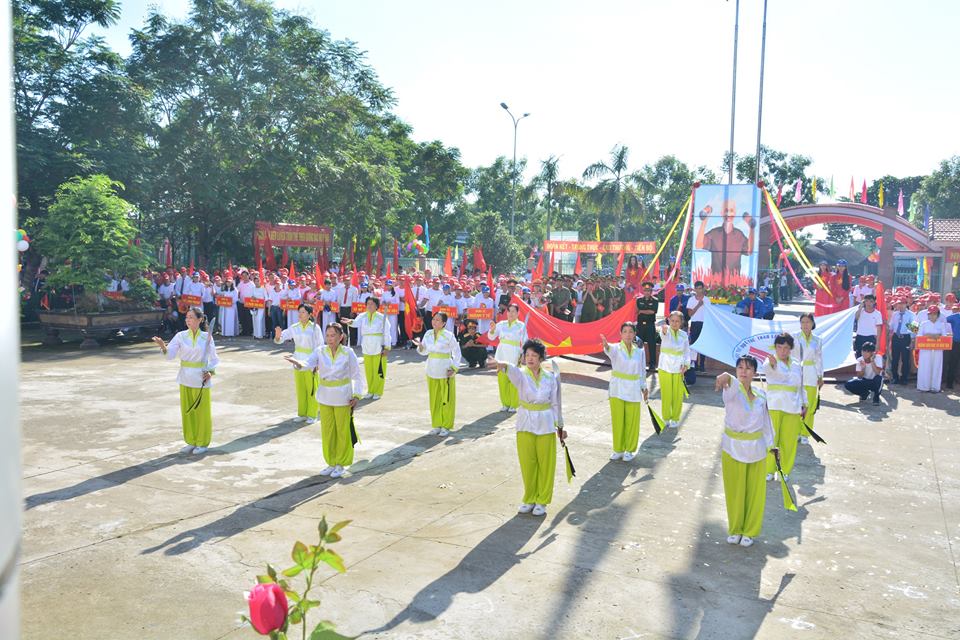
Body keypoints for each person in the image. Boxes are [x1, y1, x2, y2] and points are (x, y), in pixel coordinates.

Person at [285, 323, 364, 478]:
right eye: (327, 335)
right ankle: (331, 462)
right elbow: (308, 363)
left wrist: (356, 395)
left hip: (343, 397)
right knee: (327, 431)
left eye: (333, 335)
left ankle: (341, 464)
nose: (329, 339)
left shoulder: (348, 353)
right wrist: (298, 363)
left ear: (341, 337)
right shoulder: (320, 351)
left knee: (342, 431)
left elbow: (357, 375)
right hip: (325, 397)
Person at [496, 339, 563, 517]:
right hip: (525, 423)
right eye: (527, 355)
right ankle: (529, 498)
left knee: (546, 464)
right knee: (528, 463)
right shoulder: (521, 374)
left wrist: (560, 426)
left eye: (534, 355)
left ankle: (542, 500)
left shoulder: (551, 377)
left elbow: (556, 403)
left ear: (541, 358)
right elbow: (511, 370)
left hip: (546, 424)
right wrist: (503, 365)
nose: (530, 358)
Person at [714, 356, 777, 548]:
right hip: (732, 448)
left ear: (755, 373)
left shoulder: (761, 395)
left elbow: (766, 423)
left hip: (756, 449)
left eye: (748, 368)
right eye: (740, 367)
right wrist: (726, 375)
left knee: (755, 493)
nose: (743, 371)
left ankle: (749, 531)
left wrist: (772, 445)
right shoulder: (731, 391)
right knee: (735, 491)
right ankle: (735, 529)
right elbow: (730, 384)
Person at [151, 308, 220, 455]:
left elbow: (214, 359)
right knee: (188, 412)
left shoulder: (207, 337)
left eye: (191, 317)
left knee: (202, 413)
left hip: (201, 379)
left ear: (200, 319)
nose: (188, 320)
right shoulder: (180, 336)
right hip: (185, 378)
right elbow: (170, 355)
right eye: (187, 317)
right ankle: (191, 441)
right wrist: (163, 346)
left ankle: (202, 443)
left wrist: (210, 372)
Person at [601, 323, 648, 461]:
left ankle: (629, 450)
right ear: (620, 334)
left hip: (634, 388)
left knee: (632, 421)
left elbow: (642, 371)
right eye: (625, 331)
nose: (628, 334)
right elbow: (609, 350)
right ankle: (618, 449)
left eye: (630, 331)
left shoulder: (639, 351)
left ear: (634, 334)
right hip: (617, 389)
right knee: (618, 420)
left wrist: (644, 387)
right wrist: (606, 345)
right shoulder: (616, 348)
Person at [761, 334, 806, 481]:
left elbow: (799, 385)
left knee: (789, 441)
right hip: (774, 405)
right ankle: (769, 470)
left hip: (792, 407)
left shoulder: (796, 364)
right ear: (775, 347)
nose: (782, 351)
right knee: (771, 439)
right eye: (779, 347)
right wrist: (774, 367)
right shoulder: (769, 362)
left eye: (786, 347)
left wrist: (804, 403)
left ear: (791, 349)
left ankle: (784, 471)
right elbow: (773, 373)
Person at [413, 312, 461, 435]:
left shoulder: (449, 336)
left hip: (445, 370)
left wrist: (454, 368)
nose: (434, 322)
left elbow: (457, 352)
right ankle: (436, 424)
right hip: (431, 369)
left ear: (444, 323)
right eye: (434, 319)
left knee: (447, 399)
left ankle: (446, 426)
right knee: (434, 399)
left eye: (438, 320)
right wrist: (420, 347)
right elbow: (424, 351)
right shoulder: (428, 334)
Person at [274, 304, 324, 423]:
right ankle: (302, 413)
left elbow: (320, 346)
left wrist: (318, 362)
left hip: (310, 361)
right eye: (299, 312)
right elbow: (280, 339)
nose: (300, 314)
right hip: (297, 360)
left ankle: (312, 415)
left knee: (311, 388)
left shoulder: (315, 328)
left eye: (303, 312)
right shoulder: (294, 327)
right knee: (300, 388)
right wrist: (277, 336)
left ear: (309, 314)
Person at [343, 296, 390, 400]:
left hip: (378, 345)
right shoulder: (362, 316)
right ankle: (371, 390)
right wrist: (350, 321)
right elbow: (356, 323)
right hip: (367, 345)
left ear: (377, 306)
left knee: (378, 370)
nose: (369, 306)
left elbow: (387, 333)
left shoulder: (382, 317)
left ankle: (378, 391)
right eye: (368, 304)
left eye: (372, 304)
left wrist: (387, 347)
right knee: (369, 370)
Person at [694, 199, 755, 276]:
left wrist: (752, 228)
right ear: (721, 213)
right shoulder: (714, 233)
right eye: (726, 210)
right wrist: (704, 221)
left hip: (734, 282)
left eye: (731, 210)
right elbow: (698, 245)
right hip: (715, 281)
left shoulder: (739, 235)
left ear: (735, 213)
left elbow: (749, 251)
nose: (728, 214)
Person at [488, 303, 528, 412]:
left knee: (513, 380)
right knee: (502, 380)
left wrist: (523, 354)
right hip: (501, 353)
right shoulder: (501, 324)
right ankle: (505, 403)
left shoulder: (521, 326)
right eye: (509, 311)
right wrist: (492, 329)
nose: (511, 313)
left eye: (513, 311)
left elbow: (525, 342)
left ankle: (514, 405)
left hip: (514, 354)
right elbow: (491, 337)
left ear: (518, 313)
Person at [792, 313, 823, 444]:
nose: (805, 325)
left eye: (808, 322)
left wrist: (820, 376)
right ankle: (795, 432)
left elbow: (819, 359)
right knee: (796, 405)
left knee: (809, 406)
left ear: (812, 324)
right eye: (803, 322)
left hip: (811, 374)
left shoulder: (817, 340)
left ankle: (805, 433)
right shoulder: (794, 338)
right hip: (797, 373)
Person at [658, 311, 691, 428]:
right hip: (664, 367)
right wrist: (664, 330)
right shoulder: (666, 331)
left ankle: (675, 418)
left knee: (677, 395)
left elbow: (687, 351)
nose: (674, 323)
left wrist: (686, 365)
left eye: (677, 321)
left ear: (681, 322)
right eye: (672, 320)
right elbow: (663, 334)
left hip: (679, 368)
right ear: (668, 321)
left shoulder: (684, 335)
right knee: (666, 394)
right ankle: (666, 418)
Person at [914, 306, 952, 393]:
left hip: (938, 349)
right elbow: (918, 334)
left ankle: (935, 387)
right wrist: (929, 336)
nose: (932, 316)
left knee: (937, 367)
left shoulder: (942, 323)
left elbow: (945, 336)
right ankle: (923, 386)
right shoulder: (923, 322)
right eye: (930, 314)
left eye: (934, 314)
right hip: (925, 349)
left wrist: (939, 336)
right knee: (924, 366)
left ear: (938, 315)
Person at [888, 298, 915, 385]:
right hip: (896, 337)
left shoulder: (911, 315)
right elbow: (891, 326)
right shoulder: (895, 314)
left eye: (903, 303)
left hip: (906, 338)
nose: (900, 305)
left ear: (906, 304)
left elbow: (914, 329)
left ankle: (904, 378)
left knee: (905, 359)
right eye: (899, 304)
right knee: (895, 358)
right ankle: (895, 377)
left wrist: (912, 341)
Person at [635, 281, 659, 371]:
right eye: (645, 290)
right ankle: (638, 362)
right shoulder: (638, 300)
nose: (647, 292)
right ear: (643, 291)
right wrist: (642, 311)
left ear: (651, 291)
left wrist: (641, 311)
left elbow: (652, 311)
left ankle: (652, 364)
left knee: (651, 345)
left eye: (649, 291)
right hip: (640, 325)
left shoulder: (655, 300)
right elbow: (636, 311)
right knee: (639, 344)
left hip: (650, 325)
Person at [249, 273, 268, 339]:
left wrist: (260, 300)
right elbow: (250, 296)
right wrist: (252, 297)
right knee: (254, 320)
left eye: (258, 281)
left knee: (259, 320)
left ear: (260, 281)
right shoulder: (252, 288)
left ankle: (260, 335)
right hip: (254, 306)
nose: (256, 282)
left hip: (261, 307)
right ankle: (255, 334)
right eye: (255, 281)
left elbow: (266, 298)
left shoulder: (263, 289)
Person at [946, 304, 960, 389]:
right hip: (956, 343)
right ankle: (949, 383)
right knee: (953, 363)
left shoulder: (910, 314)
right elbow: (943, 320)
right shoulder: (955, 316)